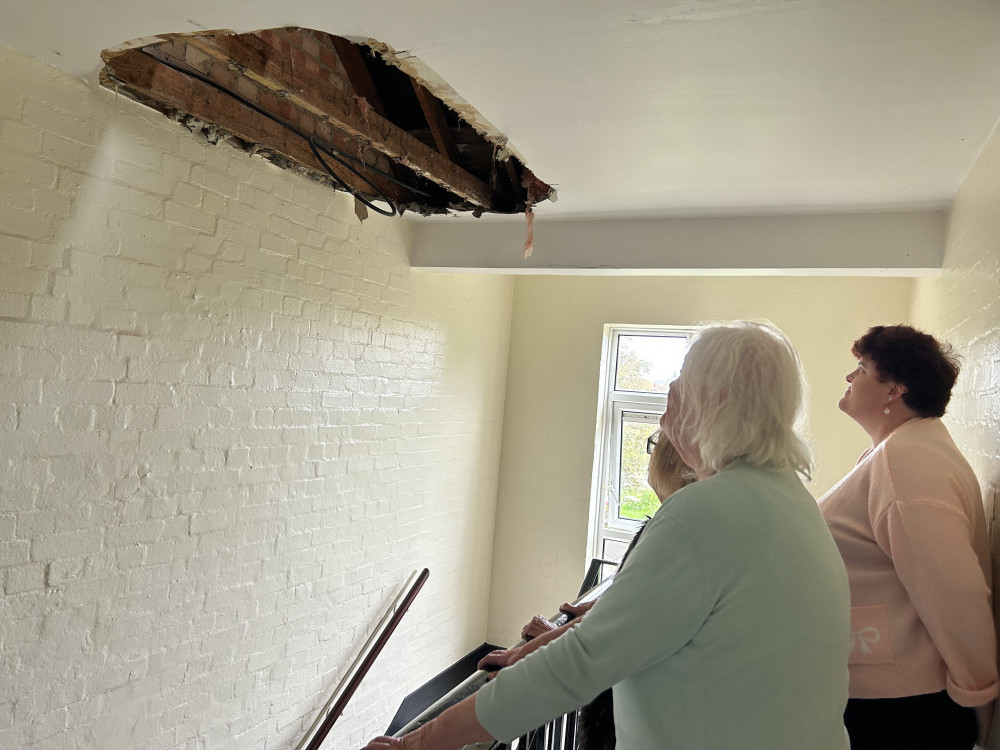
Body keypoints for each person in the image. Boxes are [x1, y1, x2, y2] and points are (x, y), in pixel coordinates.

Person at [362, 320, 851, 750]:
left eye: (679, 387)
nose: (667, 404)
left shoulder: (705, 511)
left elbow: (580, 664)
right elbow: (652, 621)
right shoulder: (790, 499)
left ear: (715, 401)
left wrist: (419, 743)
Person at [817, 325, 998, 750]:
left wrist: (979, 696)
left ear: (893, 390)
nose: (849, 377)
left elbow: (953, 591)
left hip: (902, 709)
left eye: (861, 368)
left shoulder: (908, 460)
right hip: (887, 698)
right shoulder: (896, 451)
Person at [478, 430, 696, 750]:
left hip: (632, 720)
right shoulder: (685, 533)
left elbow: (627, 630)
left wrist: (538, 649)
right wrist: (596, 610)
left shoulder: (676, 538)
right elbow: (644, 606)